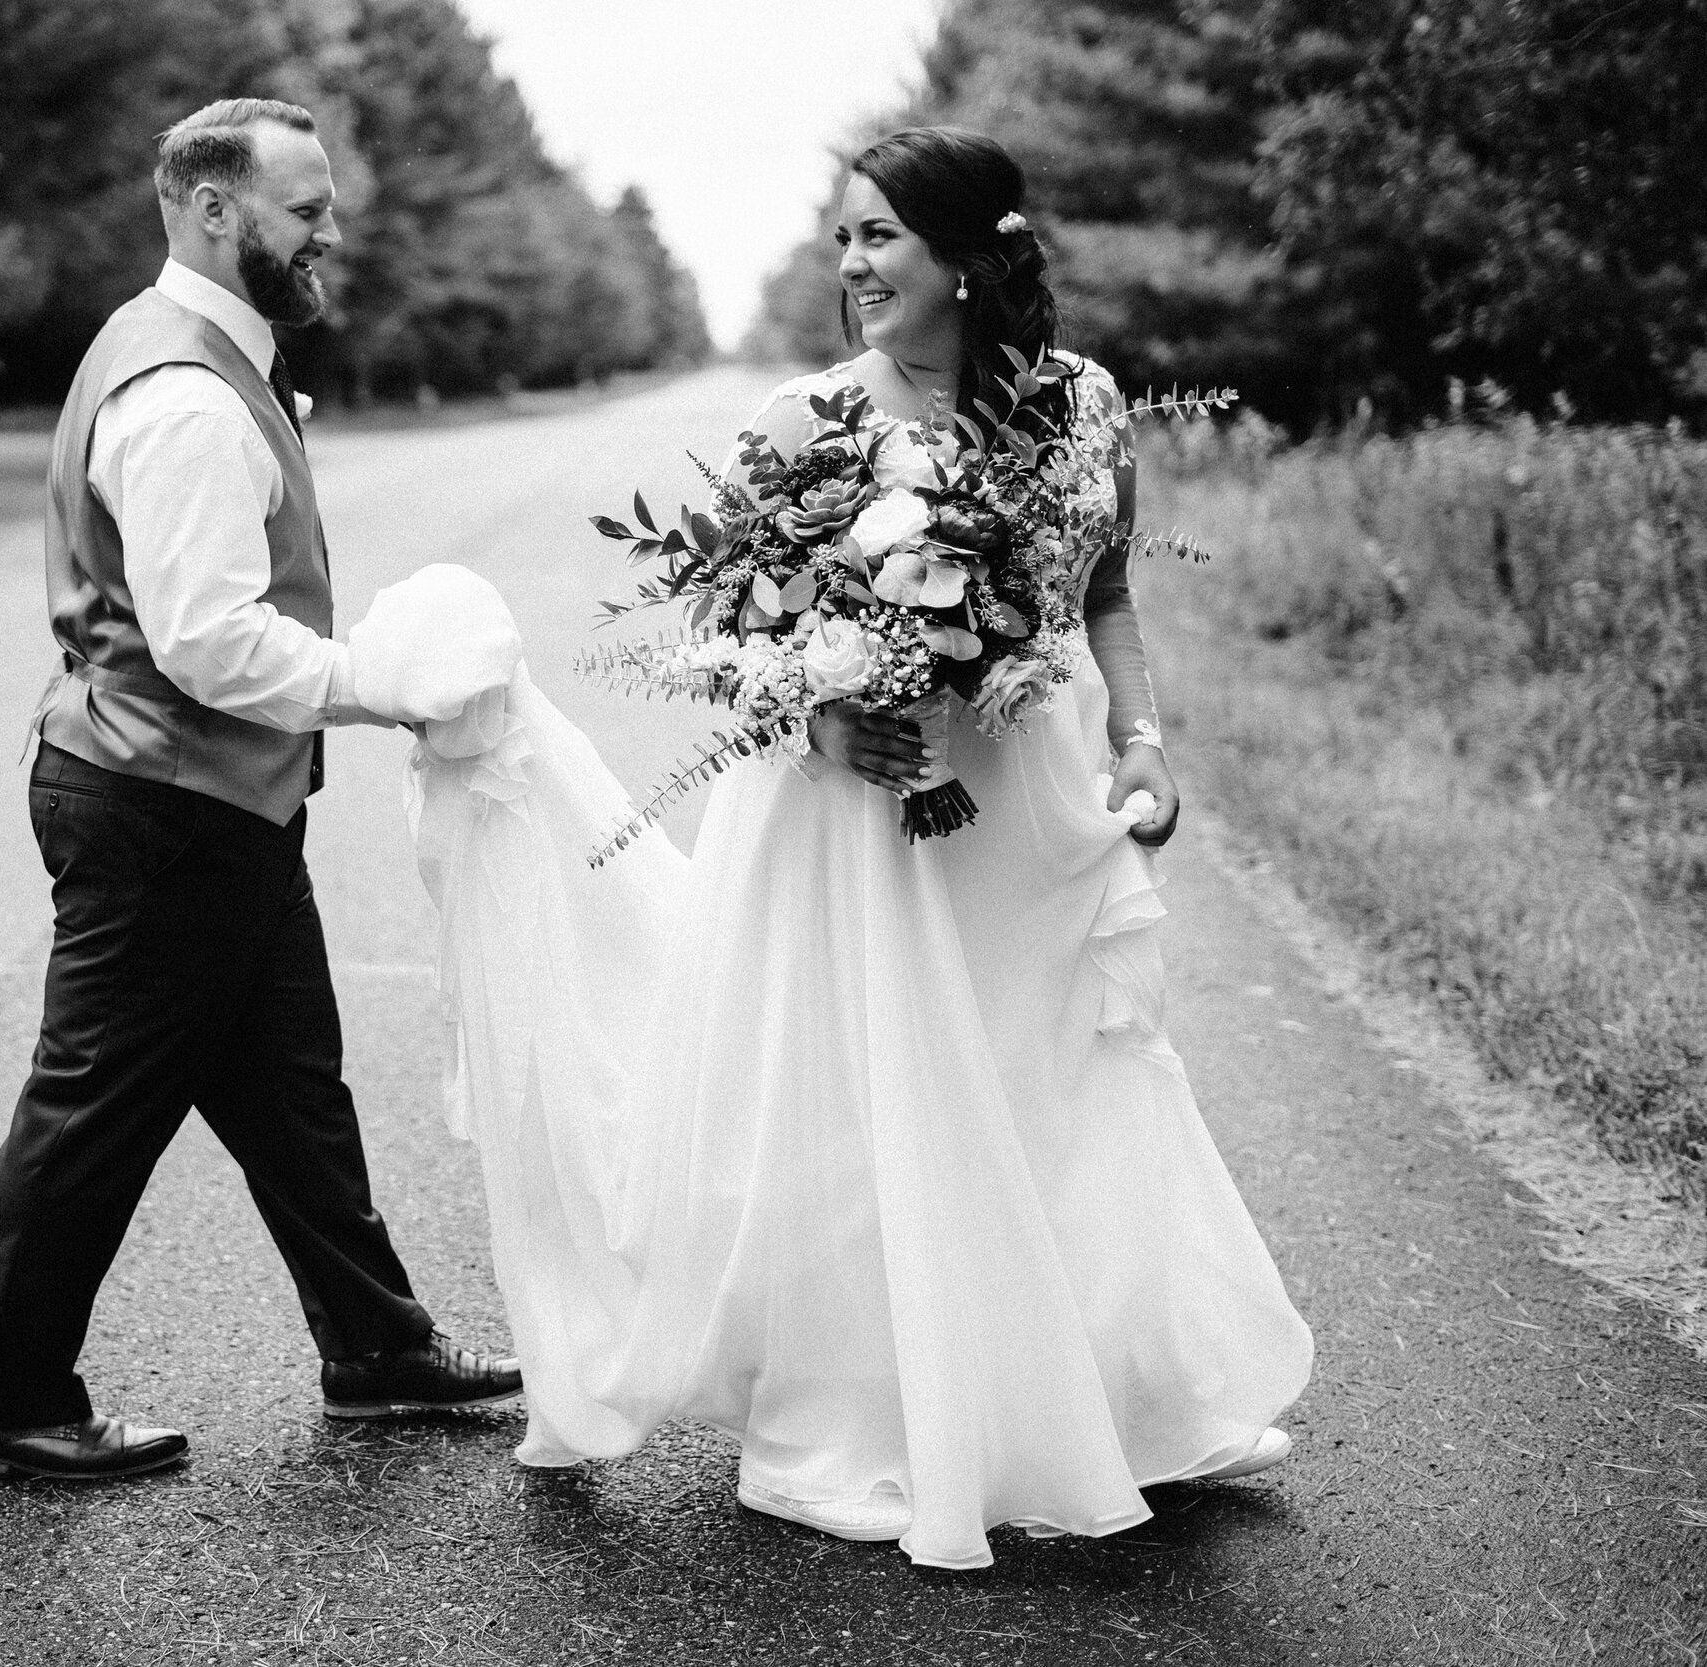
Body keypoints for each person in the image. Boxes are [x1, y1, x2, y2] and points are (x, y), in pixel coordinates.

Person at [359, 126, 1313, 1567]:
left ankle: (1098, 1397)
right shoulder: (808, 420)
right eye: (845, 236)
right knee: (889, 1097)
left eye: (880, 236)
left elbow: (1105, 592)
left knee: (1050, 1081)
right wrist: (818, 728)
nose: (852, 263)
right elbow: (712, 638)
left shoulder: (1088, 405)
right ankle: (891, 1410)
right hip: (869, 811)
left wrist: (1145, 745)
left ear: (971, 259)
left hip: (1036, 798)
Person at [0, 98, 521, 1485]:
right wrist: (380, 680)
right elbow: (203, 637)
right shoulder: (187, 393)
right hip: (162, 804)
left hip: (214, 805)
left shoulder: (203, 356)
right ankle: (10, 1401)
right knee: (89, 1111)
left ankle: (377, 1351)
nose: (334, 229)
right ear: (214, 212)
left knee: (288, 1085)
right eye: (305, 207)